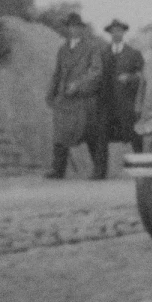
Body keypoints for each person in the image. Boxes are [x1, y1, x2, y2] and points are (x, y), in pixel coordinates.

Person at [43, 12, 107, 180]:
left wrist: (78, 85)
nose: (74, 30)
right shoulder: (63, 49)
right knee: (60, 133)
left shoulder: (91, 47)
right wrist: (51, 94)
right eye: (71, 27)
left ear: (82, 29)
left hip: (84, 98)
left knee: (89, 133)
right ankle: (58, 170)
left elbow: (96, 71)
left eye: (77, 27)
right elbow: (57, 74)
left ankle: (99, 170)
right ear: (68, 29)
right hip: (65, 99)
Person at [102, 19, 144, 157]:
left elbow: (142, 77)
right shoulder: (102, 53)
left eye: (119, 31)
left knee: (134, 134)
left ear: (124, 32)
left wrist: (130, 78)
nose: (116, 34)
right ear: (109, 33)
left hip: (127, 103)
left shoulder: (133, 54)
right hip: (107, 103)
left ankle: (142, 167)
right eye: (113, 31)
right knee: (101, 137)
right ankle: (100, 173)